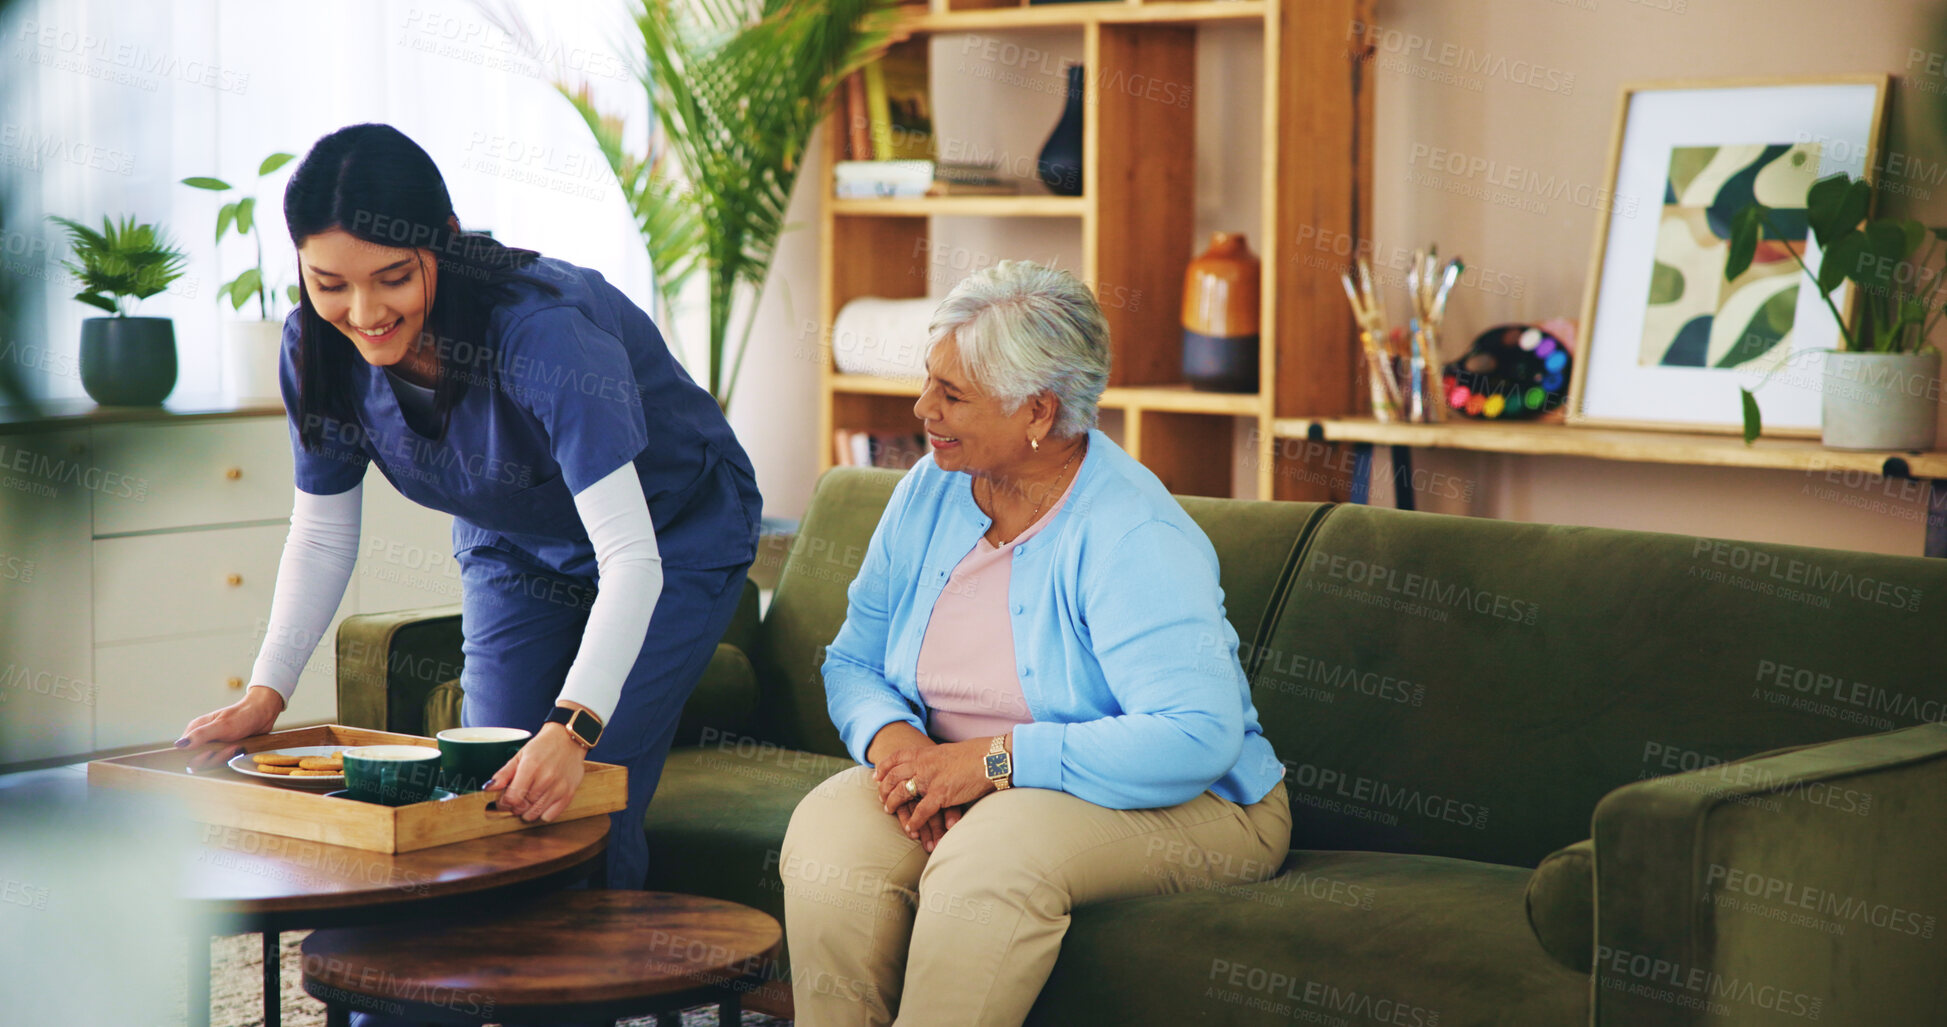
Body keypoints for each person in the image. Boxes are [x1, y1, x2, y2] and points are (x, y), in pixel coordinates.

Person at [175, 123, 762, 901]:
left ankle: (584, 1002)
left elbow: (631, 557)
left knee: (580, 786)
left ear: (443, 243)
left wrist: (574, 728)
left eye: (392, 277)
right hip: (515, 539)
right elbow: (320, 534)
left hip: (671, 532)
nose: (363, 311)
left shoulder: (543, 333)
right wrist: (266, 694)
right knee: (486, 784)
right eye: (330, 283)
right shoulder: (314, 348)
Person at [779, 261, 1291, 1026]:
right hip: (958, 771)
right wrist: (902, 756)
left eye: (952, 395)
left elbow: (1196, 736)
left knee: (988, 863)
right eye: (929, 381)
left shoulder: (1129, 532)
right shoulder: (928, 488)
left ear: (1038, 412)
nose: (923, 408)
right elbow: (853, 658)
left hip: (1197, 799)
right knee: (828, 837)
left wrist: (990, 763)